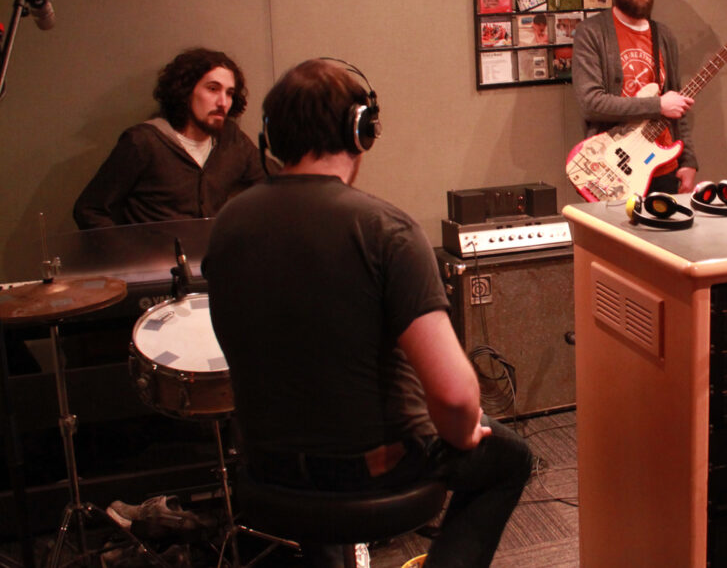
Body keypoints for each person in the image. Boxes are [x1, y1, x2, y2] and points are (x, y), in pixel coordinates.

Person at [204, 59, 532, 566]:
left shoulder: (227, 224)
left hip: (264, 467)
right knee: (510, 458)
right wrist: (465, 434)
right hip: (374, 469)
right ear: (362, 131)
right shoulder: (386, 230)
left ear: (271, 137)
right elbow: (454, 396)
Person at [73, 48, 266, 229]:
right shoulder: (144, 141)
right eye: (213, 89)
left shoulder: (231, 139)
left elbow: (275, 182)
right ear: (186, 91)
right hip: (155, 260)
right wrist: (128, 254)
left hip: (211, 259)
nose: (223, 102)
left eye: (229, 93)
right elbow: (89, 210)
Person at [572, 0, 698, 194]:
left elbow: (677, 106)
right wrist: (657, 105)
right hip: (615, 169)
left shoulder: (663, 35)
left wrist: (688, 161)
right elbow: (591, 103)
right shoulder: (592, 33)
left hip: (663, 167)